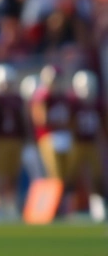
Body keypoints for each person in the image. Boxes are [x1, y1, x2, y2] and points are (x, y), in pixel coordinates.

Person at [0, 64, 26, 220]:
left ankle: (10, 205)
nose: (7, 85)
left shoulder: (17, 99)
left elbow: (22, 121)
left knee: (12, 174)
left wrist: (25, 140)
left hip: (14, 140)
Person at [70, 70, 105, 222]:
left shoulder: (98, 104)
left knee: (96, 175)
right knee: (73, 175)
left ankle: (97, 204)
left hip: (92, 143)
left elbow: (101, 126)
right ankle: (72, 206)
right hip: (77, 143)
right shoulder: (73, 104)